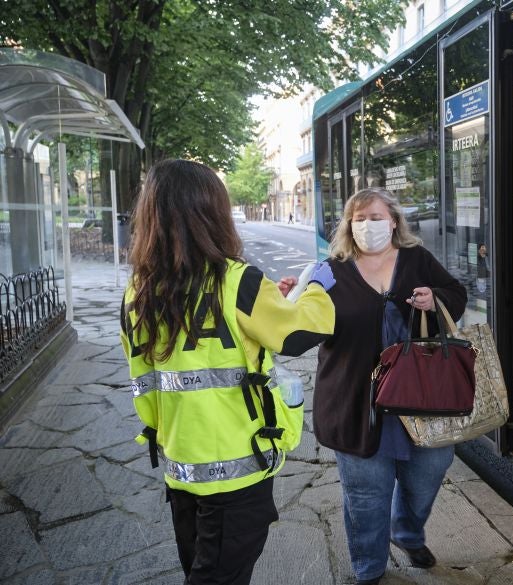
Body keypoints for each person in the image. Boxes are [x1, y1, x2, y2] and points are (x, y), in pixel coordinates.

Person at [119, 159, 336, 585]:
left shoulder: (138, 290)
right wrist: (315, 290)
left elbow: (149, 375)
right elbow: (300, 334)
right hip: (239, 471)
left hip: (180, 465)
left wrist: (272, 300)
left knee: (202, 566)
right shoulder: (237, 281)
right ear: (212, 213)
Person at [279, 187, 466, 585]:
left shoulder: (417, 260)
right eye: (358, 219)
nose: (367, 226)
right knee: (365, 498)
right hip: (356, 405)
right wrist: (287, 301)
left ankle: (407, 533)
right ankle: (369, 568)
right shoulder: (330, 271)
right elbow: (296, 334)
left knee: (426, 478)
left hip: (422, 399)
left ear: (394, 221)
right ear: (348, 225)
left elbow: (457, 295)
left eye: (376, 217)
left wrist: (435, 299)